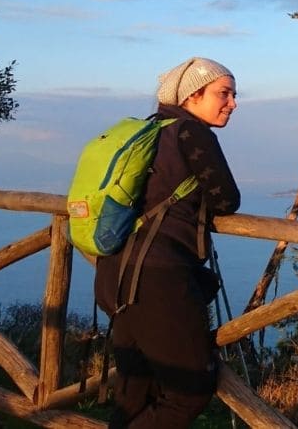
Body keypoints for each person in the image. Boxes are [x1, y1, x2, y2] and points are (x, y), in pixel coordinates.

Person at [94, 57, 241, 428]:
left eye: (234, 95)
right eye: (224, 93)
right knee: (189, 392)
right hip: (159, 279)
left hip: (115, 273)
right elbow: (227, 199)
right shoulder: (193, 133)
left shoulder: (148, 130)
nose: (233, 103)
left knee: (134, 392)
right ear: (193, 95)